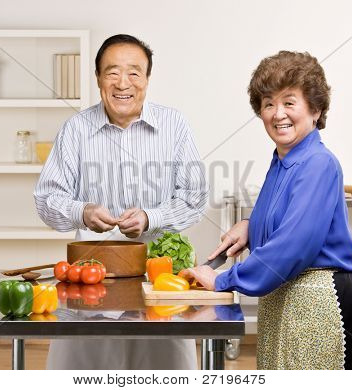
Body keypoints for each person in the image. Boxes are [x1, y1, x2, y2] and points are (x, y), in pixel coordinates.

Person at [179, 51, 352, 370]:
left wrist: (222, 280)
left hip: (321, 306)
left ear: (316, 109)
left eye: (289, 102)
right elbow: (286, 221)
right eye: (268, 103)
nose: (277, 113)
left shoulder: (318, 164)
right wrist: (250, 226)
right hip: (288, 302)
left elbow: (292, 247)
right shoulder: (282, 161)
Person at [34, 34, 208, 370]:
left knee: (165, 372)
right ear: (98, 78)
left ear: (147, 79)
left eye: (134, 73)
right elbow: (46, 200)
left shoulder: (175, 125)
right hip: (92, 281)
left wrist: (150, 217)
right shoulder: (75, 129)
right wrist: (81, 212)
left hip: (160, 279)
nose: (122, 83)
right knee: (84, 373)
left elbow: (195, 198)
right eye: (112, 72)